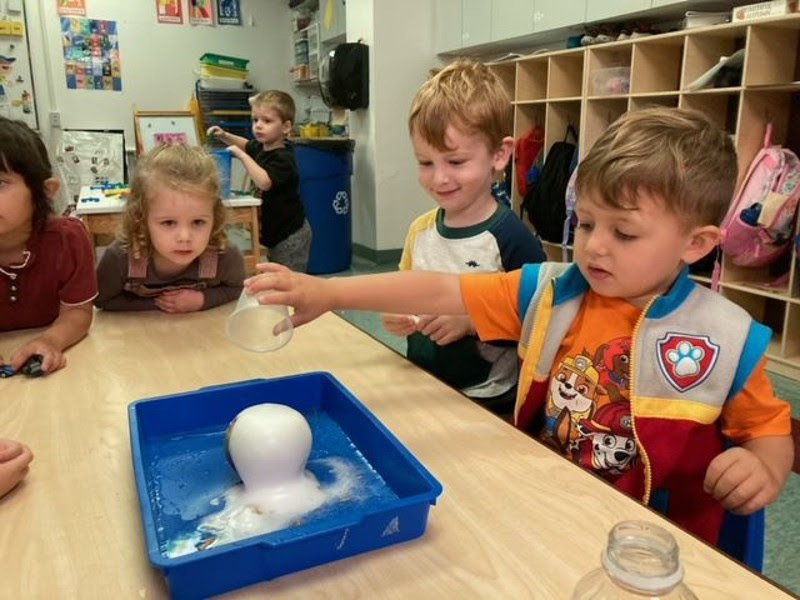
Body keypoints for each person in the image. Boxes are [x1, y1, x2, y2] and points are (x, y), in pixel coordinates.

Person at [242, 107, 793, 545]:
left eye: (624, 233)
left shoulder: (725, 336)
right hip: (549, 500)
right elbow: (440, 287)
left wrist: (761, 464)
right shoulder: (553, 290)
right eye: (588, 223)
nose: (595, 245)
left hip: (649, 536)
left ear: (695, 245)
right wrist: (329, 291)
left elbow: (769, 430)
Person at [382, 60, 545, 417]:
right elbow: (404, 291)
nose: (439, 178)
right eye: (425, 163)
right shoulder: (420, 231)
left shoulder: (513, 239)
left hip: (489, 402)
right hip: (425, 385)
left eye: (455, 162)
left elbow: (540, 322)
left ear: (499, 156)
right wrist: (396, 313)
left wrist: (472, 322)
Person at [94, 144, 245, 312]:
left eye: (198, 222)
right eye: (168, 223)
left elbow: (239, 289)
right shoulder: (120, 258)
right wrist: (161, 305)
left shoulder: (224, 256)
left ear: (215, 219)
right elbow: (102, 301)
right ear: (141, 220)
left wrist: (203, 300)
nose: (185, 237)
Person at [0, 116, 97, 374]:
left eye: (0, 183)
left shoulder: (68, 239)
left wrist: (50, 341)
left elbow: (77, 312)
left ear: (45, 190)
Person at [207, 90, 312, 272]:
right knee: (277, 279)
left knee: (290, 282)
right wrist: (225, 135)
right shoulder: (262, 147)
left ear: (286, 127)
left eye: (267, 121)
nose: (258, 126)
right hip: (276, 234)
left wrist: (240, 155)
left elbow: (265, 182)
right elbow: (246, 144)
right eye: (255, 120)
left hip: (290, 236)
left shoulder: (284, 157)